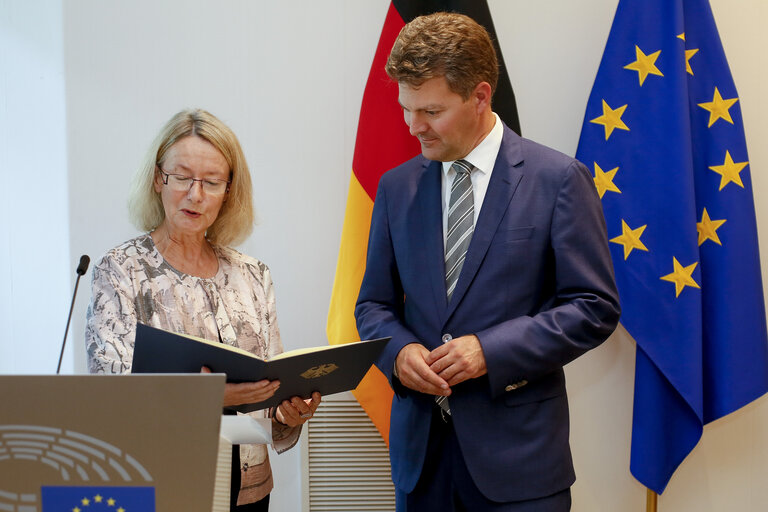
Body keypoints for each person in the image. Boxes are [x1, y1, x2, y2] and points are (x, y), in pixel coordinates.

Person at [355, 13, 621, 512]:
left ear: (479, 97)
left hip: (520, 466)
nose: (413, 126)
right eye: (406, 109)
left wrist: (490, 351)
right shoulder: (396, 187)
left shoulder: (558, 179)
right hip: (421, 464)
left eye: (430, 111)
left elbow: (593, 306)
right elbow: (374, 304)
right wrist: (399, 353)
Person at [85, 108, 320, 511]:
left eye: (211, 182)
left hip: (248, 489)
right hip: (159, 485)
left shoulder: (252, 275)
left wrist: (287, 411)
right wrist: (213, 396)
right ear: (158, 179)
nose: (195, 195)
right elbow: (111, 394)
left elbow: (272, 386)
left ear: (228, 192)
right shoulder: (121, 270)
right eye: (182, 177)